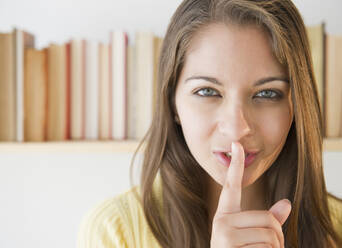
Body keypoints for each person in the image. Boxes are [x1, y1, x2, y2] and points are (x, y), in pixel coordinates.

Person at [77, 0, 342, 247]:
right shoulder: (115, 231)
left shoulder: (337, 228)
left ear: (297, 106)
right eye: (207, 91)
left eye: (267, 93)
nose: (237, 129)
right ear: (172, 102)